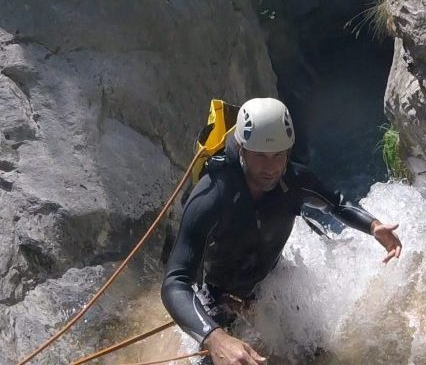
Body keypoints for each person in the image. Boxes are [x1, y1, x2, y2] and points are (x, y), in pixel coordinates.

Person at [161, 98, 402, 365]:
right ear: (241, 148)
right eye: (261, 156)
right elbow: (175, 282)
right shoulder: (211, 196)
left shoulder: (293, 180)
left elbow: (337, 202)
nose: (272, 167)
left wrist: (373, 226)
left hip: (270, 281)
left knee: (316, 355)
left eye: (279, 154)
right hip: (217, 294)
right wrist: (214, 337)